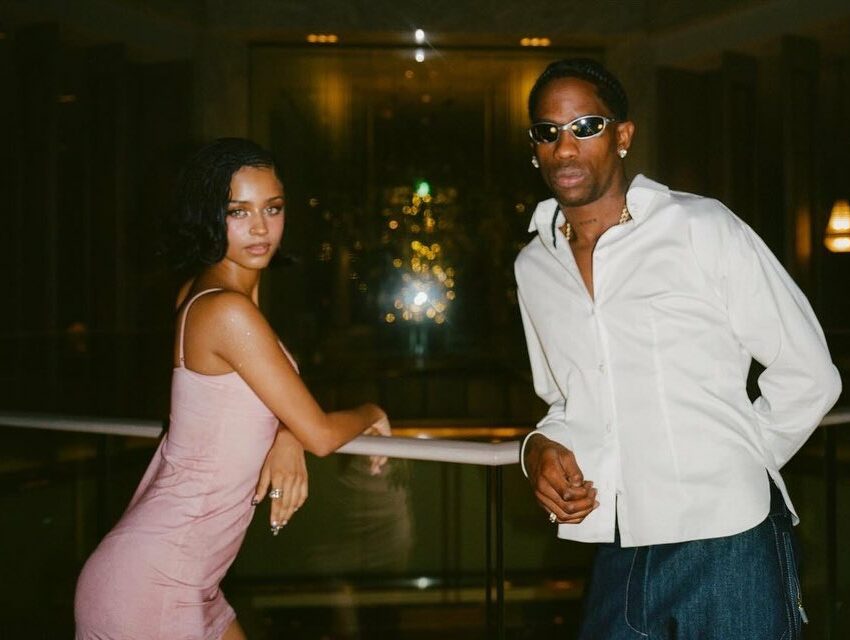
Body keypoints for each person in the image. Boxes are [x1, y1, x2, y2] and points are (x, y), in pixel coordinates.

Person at [516, 58, 842, 639]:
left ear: (622, 136)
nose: (565, 147)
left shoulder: (699, 227)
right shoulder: (535, 265)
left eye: (586, 126)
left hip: (730, 540)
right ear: (535, 148)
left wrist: (733, 465)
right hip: (619, 541)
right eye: (548, 131)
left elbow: (809, 373)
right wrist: (537, 448)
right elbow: (566, 400)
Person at [74, 138, 391, 640]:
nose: (261, 228)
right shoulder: (228, 311)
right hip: (156, 583)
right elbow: (323, 435)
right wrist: (371, 411)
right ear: (208, 216)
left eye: (273, 208)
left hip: (182, 576)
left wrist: (285, 431)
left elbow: (239, 407)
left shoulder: (203, 293)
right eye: (238, 212)